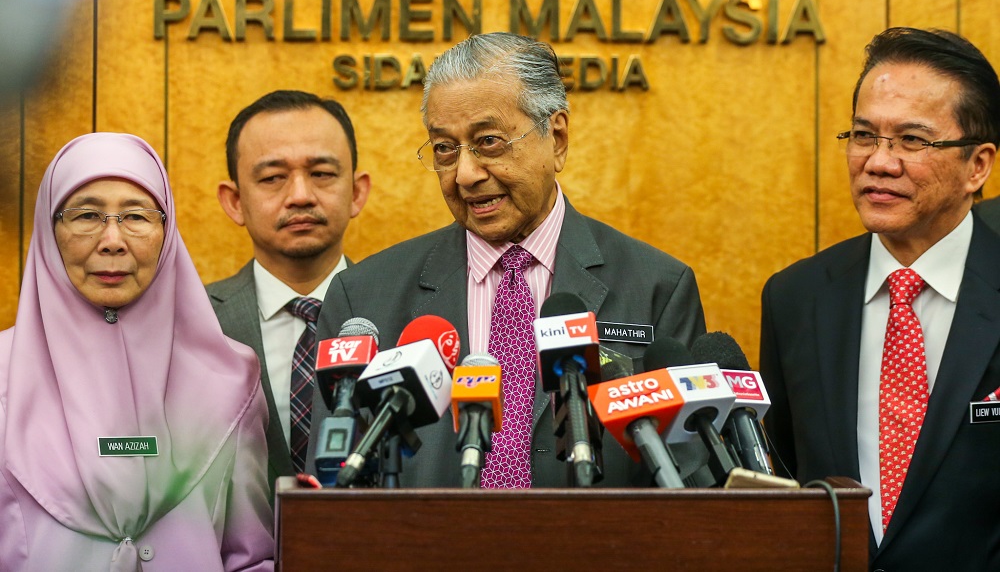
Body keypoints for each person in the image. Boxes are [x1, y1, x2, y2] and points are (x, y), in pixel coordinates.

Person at [307, 32, 706, 488]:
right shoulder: (363, 298)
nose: (466, 174)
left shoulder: (657, 287)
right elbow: (335, 491)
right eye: (444, 148)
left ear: (556, 138)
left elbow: (690, 481)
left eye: (489, 142)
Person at [760, 27, 1000, 570]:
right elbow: (785, 478)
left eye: (913, 141)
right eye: (865, 136)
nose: (879, 162)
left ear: (978, 165)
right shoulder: (795, 298)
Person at [0, 133, 273, 571]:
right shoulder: (3, 375)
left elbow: (252, 558)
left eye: (136, 216)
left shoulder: (229, 378)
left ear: (167, 233)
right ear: (50, 233)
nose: (113, 240)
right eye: (87, 215)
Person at [207, 90, 370, 495]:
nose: (300, 195)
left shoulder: (409, 315)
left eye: (321, 173)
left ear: (356, 192)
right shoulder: (193, 323)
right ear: (234, 202)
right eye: (272, 178)